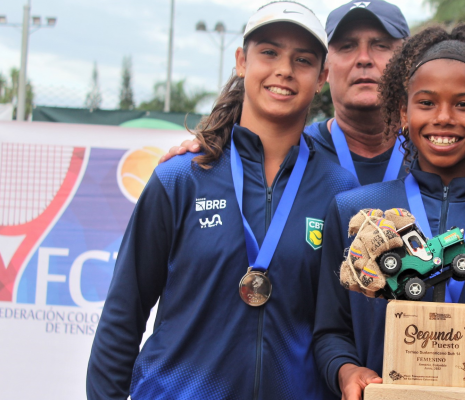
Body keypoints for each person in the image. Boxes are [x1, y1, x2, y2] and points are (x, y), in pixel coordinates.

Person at [86, 2, 359, 399]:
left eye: (302, 60)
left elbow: (343, 326)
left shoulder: (340, 190)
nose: (284, 69)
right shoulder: (182, 178)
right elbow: (123, 314)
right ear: (241, 62)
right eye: (269, 52)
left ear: (321, 77)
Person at [313, 24, 465, 400]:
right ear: (403, 112)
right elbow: (330, 331)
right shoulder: (354, 211)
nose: (443, 117)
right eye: (426, 103)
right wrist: (346, 370)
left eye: (463, 104)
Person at [160, 0, 465, 184]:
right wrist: (209, 145)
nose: (364, 58)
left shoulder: (445, 155)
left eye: (380, 45)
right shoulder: (290, 155)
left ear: (409, 63)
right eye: (347, 46)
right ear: (325, 69)